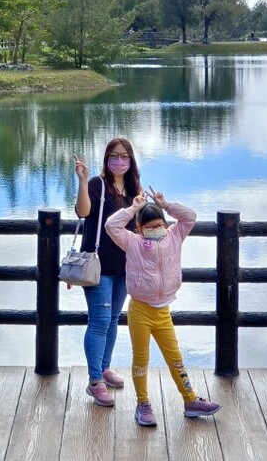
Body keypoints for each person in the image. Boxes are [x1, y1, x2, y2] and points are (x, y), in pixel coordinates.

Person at [105, 186, 221, 427]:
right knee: (141, 359)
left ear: (166, 224)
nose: (156, 229)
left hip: (164, 310)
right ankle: (143, 404)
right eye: (150, 227)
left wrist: (167, 206)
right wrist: (133, 208)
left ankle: (190, 400)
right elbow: (110, 226)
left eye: (160, 224)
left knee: (175, 357)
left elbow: (190, 216)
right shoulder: (132, 242)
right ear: (139, 228)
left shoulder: (175, 236)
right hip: (140, 309)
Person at [74, 137, 141, 407]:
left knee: (113, 320)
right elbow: (83, 212)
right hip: (98, 265)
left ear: (131, 160)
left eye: (124, 156)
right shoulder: (97, 185)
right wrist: (81, 180)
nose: (119, 161)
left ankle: (104, 368)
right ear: (106, 158)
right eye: (114, 156)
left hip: (125, 266)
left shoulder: (134, 189)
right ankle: (94, 382)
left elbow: (139, 227)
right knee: (99, 322)